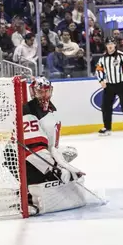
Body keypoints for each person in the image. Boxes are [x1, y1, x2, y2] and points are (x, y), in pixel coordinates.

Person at [15, 77, 85, 215]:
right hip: (24, 158)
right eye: (40, 92)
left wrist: (66, 166)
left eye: (47, 92)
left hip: (40, 155)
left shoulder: (51, 111)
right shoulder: (27, 111)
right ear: (33, 92)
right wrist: (53, 169)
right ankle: (27, 196)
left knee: (70, 152)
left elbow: (51, 147)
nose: (44, 96)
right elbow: (32, 150)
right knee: (51, 175)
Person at [95, 37, 123, 136]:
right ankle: (107, 127)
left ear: (115, 45)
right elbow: (98, 69)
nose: (110, 46)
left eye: (112, 44)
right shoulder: (103, 58)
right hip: (109, 85)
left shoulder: (122, 56)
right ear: (106, 45)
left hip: (121, 84)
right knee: (106, 107)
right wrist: (101, 80)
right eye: (108, 44)